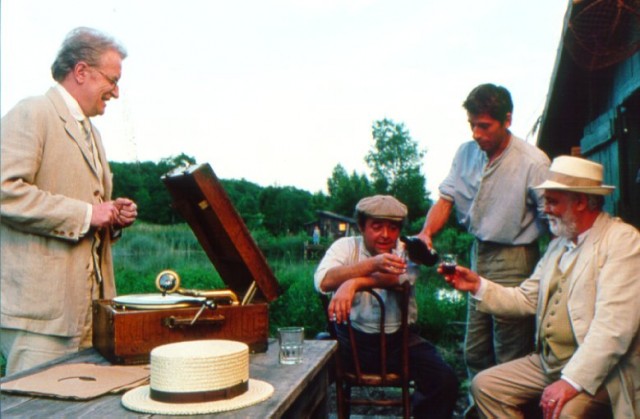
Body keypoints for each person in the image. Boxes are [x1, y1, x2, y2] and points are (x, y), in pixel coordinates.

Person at [443, 156, 640, 418]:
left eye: (552, 201)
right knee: (485, 386)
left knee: (566, 411)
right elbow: (525, 299)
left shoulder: (622, 241)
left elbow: (614, 329)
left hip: (603, 372)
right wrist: (477, 285)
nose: (544, 208)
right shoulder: (559, 244)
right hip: (549, 363)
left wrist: (571, 382)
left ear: (581, 202)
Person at [0, 27, 138, 375]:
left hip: (89, 315)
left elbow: (90, 210)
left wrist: (113, 216)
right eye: (112, 79)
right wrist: (89, 213)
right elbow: (4, 189)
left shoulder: (93, 133)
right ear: (81, 72)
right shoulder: (32, 112)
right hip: (41, 320)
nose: (117, 92)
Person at [417, 83, 550, 381]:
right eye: (472, 125)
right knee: (475, 349)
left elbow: (553, 220)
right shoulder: (466, 153)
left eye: (485, 126)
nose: (476, 134)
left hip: (516, 257)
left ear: (507, 120)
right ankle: (480, 407)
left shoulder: (534, 162)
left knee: (509, 350)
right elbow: (446, 198)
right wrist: (427, 232)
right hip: (479, 252)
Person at [315, 195, 459, 418]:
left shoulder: (408, 249)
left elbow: (398, 279)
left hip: (399, 344)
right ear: (362, 227)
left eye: (392, 228)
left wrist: (354, 282)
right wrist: (371, 264)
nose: (385, 234)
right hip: (349, 343)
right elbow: (323, 281)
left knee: (444, 379)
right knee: (309, 371)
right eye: (377, 226)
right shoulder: (345, 247)